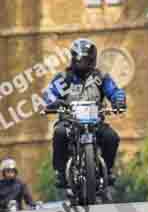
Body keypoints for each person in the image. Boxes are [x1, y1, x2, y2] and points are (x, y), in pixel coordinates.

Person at [43, 39, 126, 188]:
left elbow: (114, 91)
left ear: (92, 59)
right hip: (69, 122)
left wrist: (118, 101)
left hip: (95, 123)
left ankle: (107, 170)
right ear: (73, 59)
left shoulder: (100, 78)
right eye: (79, 59)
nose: (81, 63)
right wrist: (52, 102)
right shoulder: (64, 79)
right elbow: (50, 93)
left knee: (111, 137)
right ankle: (61, 173)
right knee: (59, 133)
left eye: (85, 60)